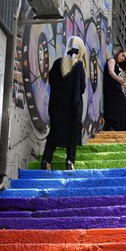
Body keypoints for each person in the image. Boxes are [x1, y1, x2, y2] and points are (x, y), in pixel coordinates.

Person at [41, 36, 86, 171]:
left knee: (54, 132)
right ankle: (70, 161)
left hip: (56, 106)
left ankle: (46, 160)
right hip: (73, 106)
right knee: (72, 132)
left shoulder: (57, 63)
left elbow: (51, 81)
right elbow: (82, 87)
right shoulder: (78, 66)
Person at [103, 48, 126, 131]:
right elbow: (110, 71)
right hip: (111, 88)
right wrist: (119, 80)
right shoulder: (112, 60)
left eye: (125, 58)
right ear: (118, 53)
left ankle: (117, 126)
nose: (123, 58)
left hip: (114, 87)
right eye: (122, 55)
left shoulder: (117, 65)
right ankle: (117, 125)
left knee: (119, 105)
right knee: (120, 104)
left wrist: (122, 83)